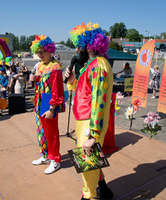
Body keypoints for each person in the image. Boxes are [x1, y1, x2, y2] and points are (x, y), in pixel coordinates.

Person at [65, 22, 114, 200]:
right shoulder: (90, 65)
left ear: (88, 45)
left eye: (79, 46)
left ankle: (90, 196)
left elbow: (99, 102)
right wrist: (71, 79)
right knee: (92, 160)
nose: (77, 50)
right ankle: (104, 189)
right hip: (84, 119)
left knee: (87, 163)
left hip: (89, 122)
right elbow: (82, 92)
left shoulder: (98, 66)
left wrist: (93, 135)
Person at [30, 35, 65, 174]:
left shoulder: (54, 67)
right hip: (39, 101)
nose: (40, 54)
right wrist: (34, 79)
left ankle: (55, 159)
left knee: (51, 133)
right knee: (41, 132)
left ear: (49, 50)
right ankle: (45, 155)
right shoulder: (39, 66)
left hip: (48, 101)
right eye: (38, 52)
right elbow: (40, 85)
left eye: (43, 51)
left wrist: (52, 108)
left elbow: (56, 90)